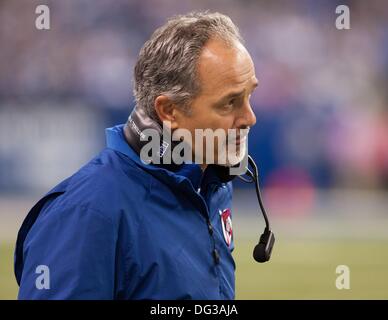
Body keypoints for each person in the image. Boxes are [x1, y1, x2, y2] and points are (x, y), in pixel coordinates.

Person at [15, 11, 258, 300]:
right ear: (169, 111)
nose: (249, 118)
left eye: (248, 96)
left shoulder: (210, 184)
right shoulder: (85, 212)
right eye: (230, 102)